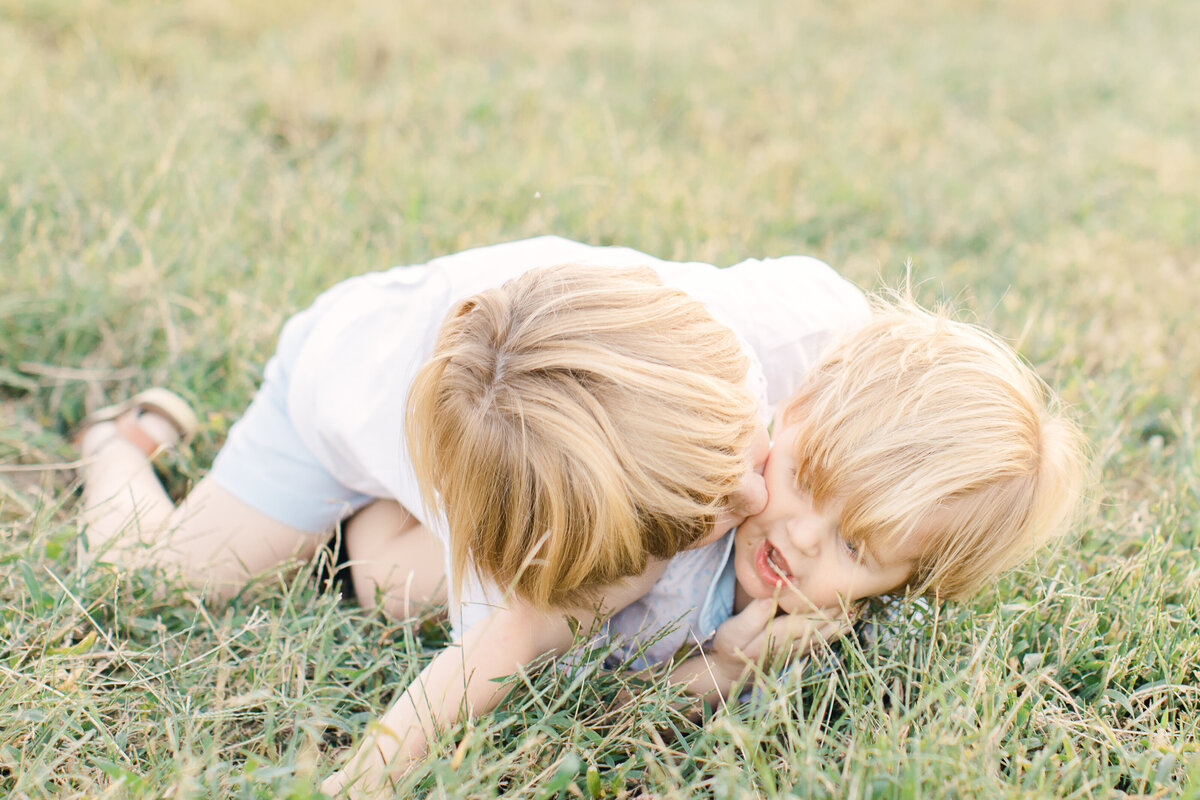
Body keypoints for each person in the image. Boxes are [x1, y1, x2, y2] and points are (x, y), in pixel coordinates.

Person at [74, 237, 872, 794]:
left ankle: (371, 536)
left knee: (391, 582)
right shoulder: (536, 555)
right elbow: (536, 692)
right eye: (707, 510)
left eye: (743, 439)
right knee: (156, 575)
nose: (757, 498)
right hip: (340, 395)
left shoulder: (773, 326)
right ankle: (113, 445)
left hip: (515, 385)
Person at [321, 294, 1085, 795]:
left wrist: (723, 668)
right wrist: (367, 774)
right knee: (388, 576)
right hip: (498, 486)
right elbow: (516, 638)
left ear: (911, 580)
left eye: (857, 547)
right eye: (805, 478)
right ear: (797, 409)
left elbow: (609, 726)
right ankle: (348, 524)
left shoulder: (808, 629)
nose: (800, 535)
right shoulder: (694, 506)